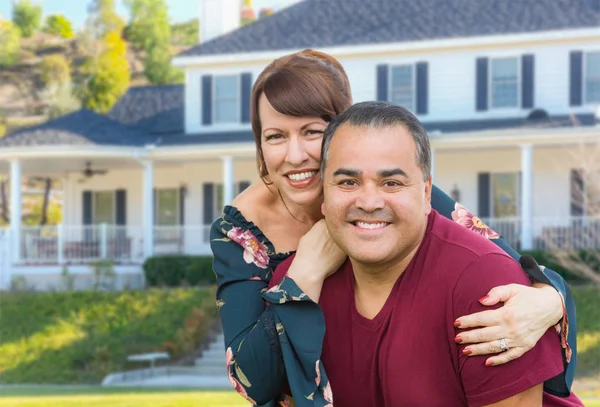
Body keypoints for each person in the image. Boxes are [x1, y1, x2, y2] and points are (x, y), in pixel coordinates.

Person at [211, 50, 576, 407]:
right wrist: (306, 271)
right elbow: (252, 380)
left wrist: (550, 299)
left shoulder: (401, 195)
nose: (294, 155)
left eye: (312, 132)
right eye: (275, 136)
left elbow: (500, 268)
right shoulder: (241, 231)